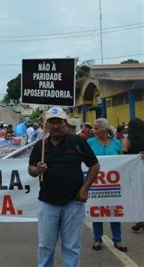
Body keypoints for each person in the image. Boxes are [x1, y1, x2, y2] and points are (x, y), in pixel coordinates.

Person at [28, 107, 99, 267]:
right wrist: (37, 169)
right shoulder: (40, 146)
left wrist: (85, 189)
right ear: (46, 125)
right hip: (47, 203)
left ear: (65, 123)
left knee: (71, 247)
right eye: (51, 122)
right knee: (45, 246)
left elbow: (94, 166)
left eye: (58, 122)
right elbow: (31, 169)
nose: (55, 126)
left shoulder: (78, 142)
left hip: (73, 203)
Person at [87, 118, 127, 252]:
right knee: (96, 211)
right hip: (95, 183)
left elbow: (123, 161)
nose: (94, 130)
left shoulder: (116, 143)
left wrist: (138, 157)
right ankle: (97, 239)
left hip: (112, 184)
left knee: (114, 211)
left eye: (97, 128)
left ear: (104, 130)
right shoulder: (89, 143)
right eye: (93, 128)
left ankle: (118, 240)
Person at [121, 118, 144, 232]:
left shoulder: (127, 139)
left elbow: (124, 155)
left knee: (138, 195)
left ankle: (141, 218)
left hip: (135, 172)